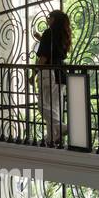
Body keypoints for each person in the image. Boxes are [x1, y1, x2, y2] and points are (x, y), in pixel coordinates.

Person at [34, 10, 72, 145]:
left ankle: (63, 128)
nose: (47, 19)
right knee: (54, 108)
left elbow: (43, 57)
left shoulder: (48, 33)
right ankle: (52, 138)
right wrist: (40, 39)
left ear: (54, 19)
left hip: (48, 73)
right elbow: (55, 50)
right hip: (60, 74)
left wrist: (34, 73)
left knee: (42, 106)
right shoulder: (63, 34)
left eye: (49, 17)